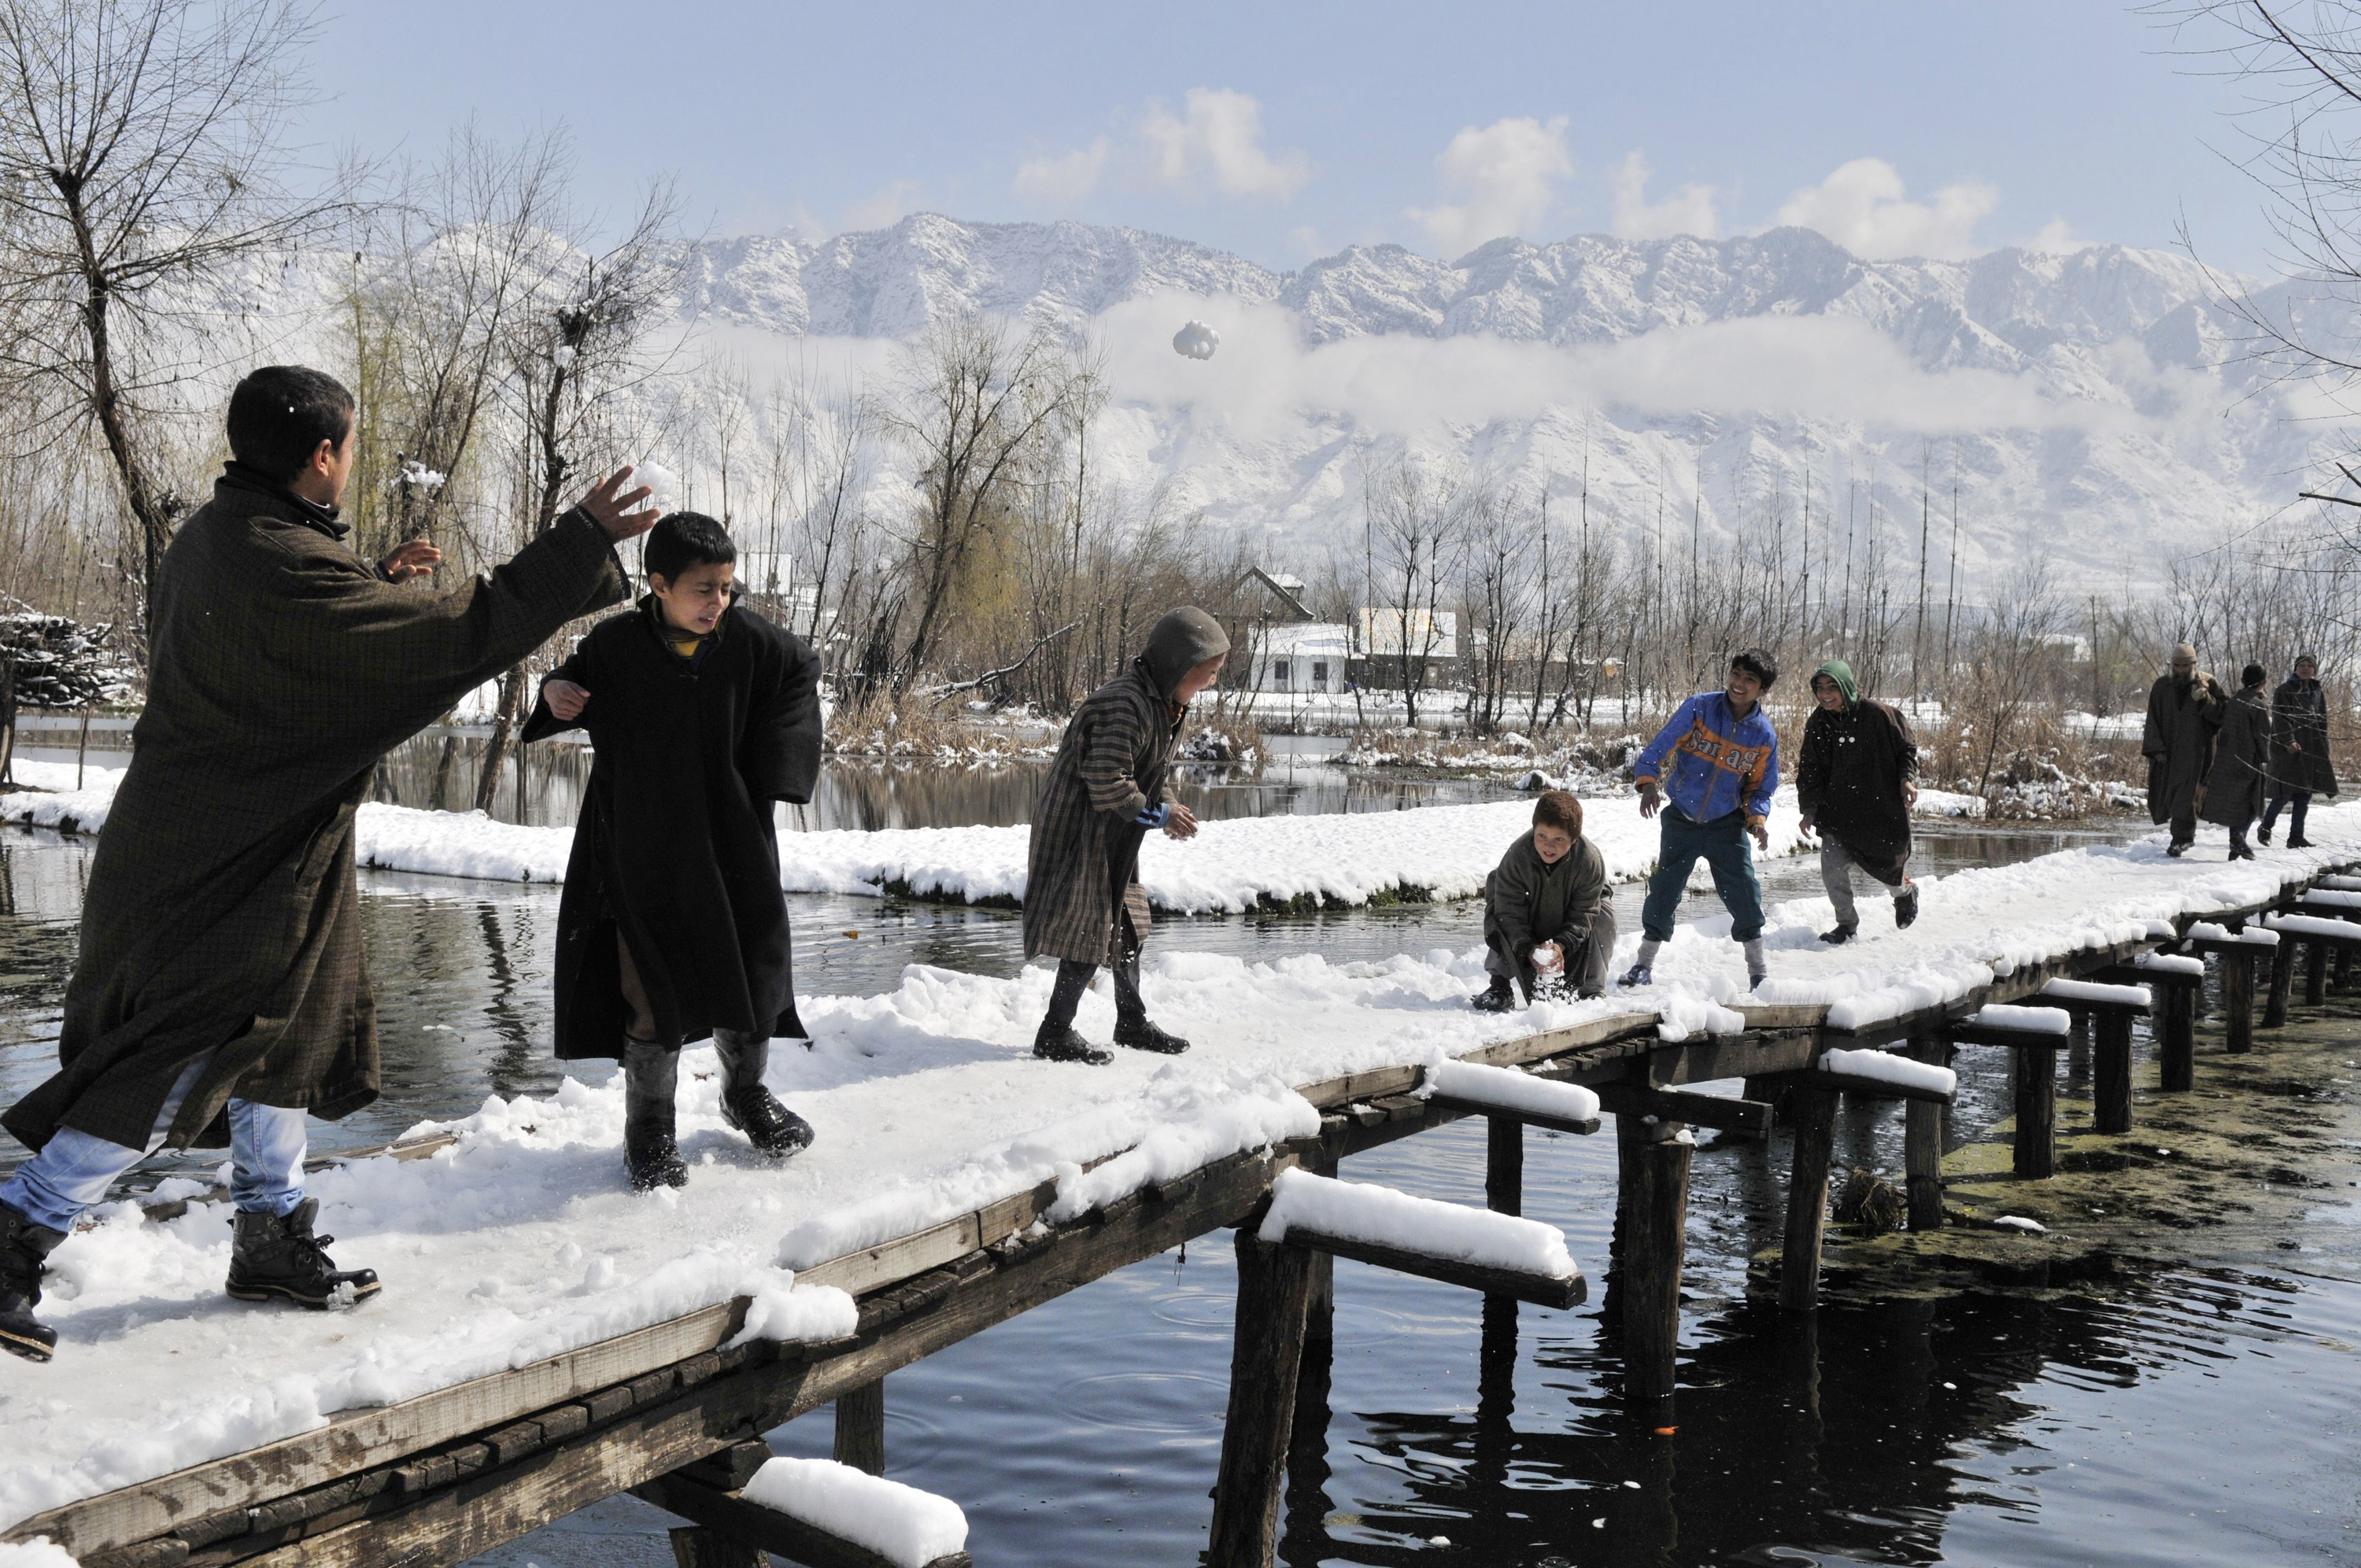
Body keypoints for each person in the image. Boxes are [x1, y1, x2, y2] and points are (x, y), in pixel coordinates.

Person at [0, 365, 654, 1363]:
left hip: (236, 835)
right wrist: (582, 542)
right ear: (321, 457)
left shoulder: (228, 535)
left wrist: (370, 592)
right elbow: (453, 634)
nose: (350, 462)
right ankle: (16, 1237)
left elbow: (306, 644)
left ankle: (268, 1235)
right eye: (348, 446)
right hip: (225, 854)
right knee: (183, 1047)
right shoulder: (281, 563)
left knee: (294, 1031)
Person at [523, 512, 824, 1190]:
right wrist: (555, 694)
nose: (718, 602)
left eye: (726, 586)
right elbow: (562, 684)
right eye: (702, 589)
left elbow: (803, 672)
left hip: (732, 846)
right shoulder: (617, 646)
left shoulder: (747, 641)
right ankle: (650, 1128)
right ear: (658, 585)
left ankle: (745, 1094)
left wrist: (778, 773)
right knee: (649, 990)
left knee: (748, 973)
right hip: (640, 851)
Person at [1023, 608, 1229, 1064]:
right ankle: (1054, 1032)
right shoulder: (1126, 704)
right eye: (1209, 673)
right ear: (1181, 664)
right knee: (1089, 925)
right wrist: (1159, 815)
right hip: (1081, 829)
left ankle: (1131, 1022)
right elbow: (1107, 781)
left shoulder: (1166, 703)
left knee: (1127, 923)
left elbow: (1150, 771)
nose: (1212, 682)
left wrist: (1169, 804)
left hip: (1115, 828)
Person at [1620, 650, 1782, 991]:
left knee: (1745, 895)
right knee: (1664, 890)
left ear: (1763, 690)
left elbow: (1760, 789)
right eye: (1736, 674)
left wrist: (1757, 821)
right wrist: (1648, 782)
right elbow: (1661, 746)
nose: (1739, 684)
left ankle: (1758, 972)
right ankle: (1643, 964)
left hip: (1726, 824)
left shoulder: (1763, 736)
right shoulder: (1701, 708)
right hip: (1682, 817)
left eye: (1750, 680)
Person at [1794, 659, 1920, 941]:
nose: (1825, 694)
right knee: (1832, 870)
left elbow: (1907, 748)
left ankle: (1905, 892)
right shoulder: (1818, 723)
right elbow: (1810, 768)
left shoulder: (1878, 714)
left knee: (1887, 864)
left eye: (1832, 687)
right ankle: (1847, 925)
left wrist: (1906, 778)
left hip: (1879, 807)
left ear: (1846, 687)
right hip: (1838, 812)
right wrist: (1810, 809)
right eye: (1820, 688)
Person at [1472, 790, 1617, 1010]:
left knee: (1604, 910)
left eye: (1559, 839)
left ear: (1573, 839)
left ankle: (1592, 990)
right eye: (1542, 836)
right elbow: (1509, 913)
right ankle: (1499, 984)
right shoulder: (1517, 856)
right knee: (1496, 890)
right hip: (1530, 916)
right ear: (1534, 831)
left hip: (1568, 919)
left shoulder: (1589, 860)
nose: (1548, 846)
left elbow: (1584, 913)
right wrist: (1528, 948)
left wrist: (1561, 945)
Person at [2142, 642, 2224, 858]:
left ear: (2194, 664)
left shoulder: (2209, 683)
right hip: (2168, 752)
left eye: (2185, 666)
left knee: (2188, 795)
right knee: (2168, 794)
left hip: (2198, 751)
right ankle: (2181, 836)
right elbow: (2152, 719)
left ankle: (2182, 838)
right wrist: (2156, 747)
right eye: (2177, 665)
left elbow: (2223, 715)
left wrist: (2206, 699)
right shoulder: (2162, 686)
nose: (2180, 670)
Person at [2262, 652, 2337, 848]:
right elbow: (2280, 718)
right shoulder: (2284, 690)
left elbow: (2322, 721)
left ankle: (2296, 837)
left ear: (2314, 669)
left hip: (2310, 748)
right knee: (2283, 793)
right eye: (2301, 665)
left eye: (2309, 666)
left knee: (2304, 795)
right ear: (2295, 669)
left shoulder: (2316, 690)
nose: (2305, 669)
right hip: (2288, 750)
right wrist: (2289, 740)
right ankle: (2266, 827)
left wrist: (2324, 745)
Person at [2203, 663, 2273, 861]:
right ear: (2263, 683)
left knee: (2235, 802)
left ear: (2243, 681)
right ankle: (2239, 837)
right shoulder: (2258, 706)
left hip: (2226, 759)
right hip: (2249, 759)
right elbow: (2263, 735)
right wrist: (2266, 758)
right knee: (2252, 803)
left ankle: (2236, 846)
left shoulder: (2233, 701)